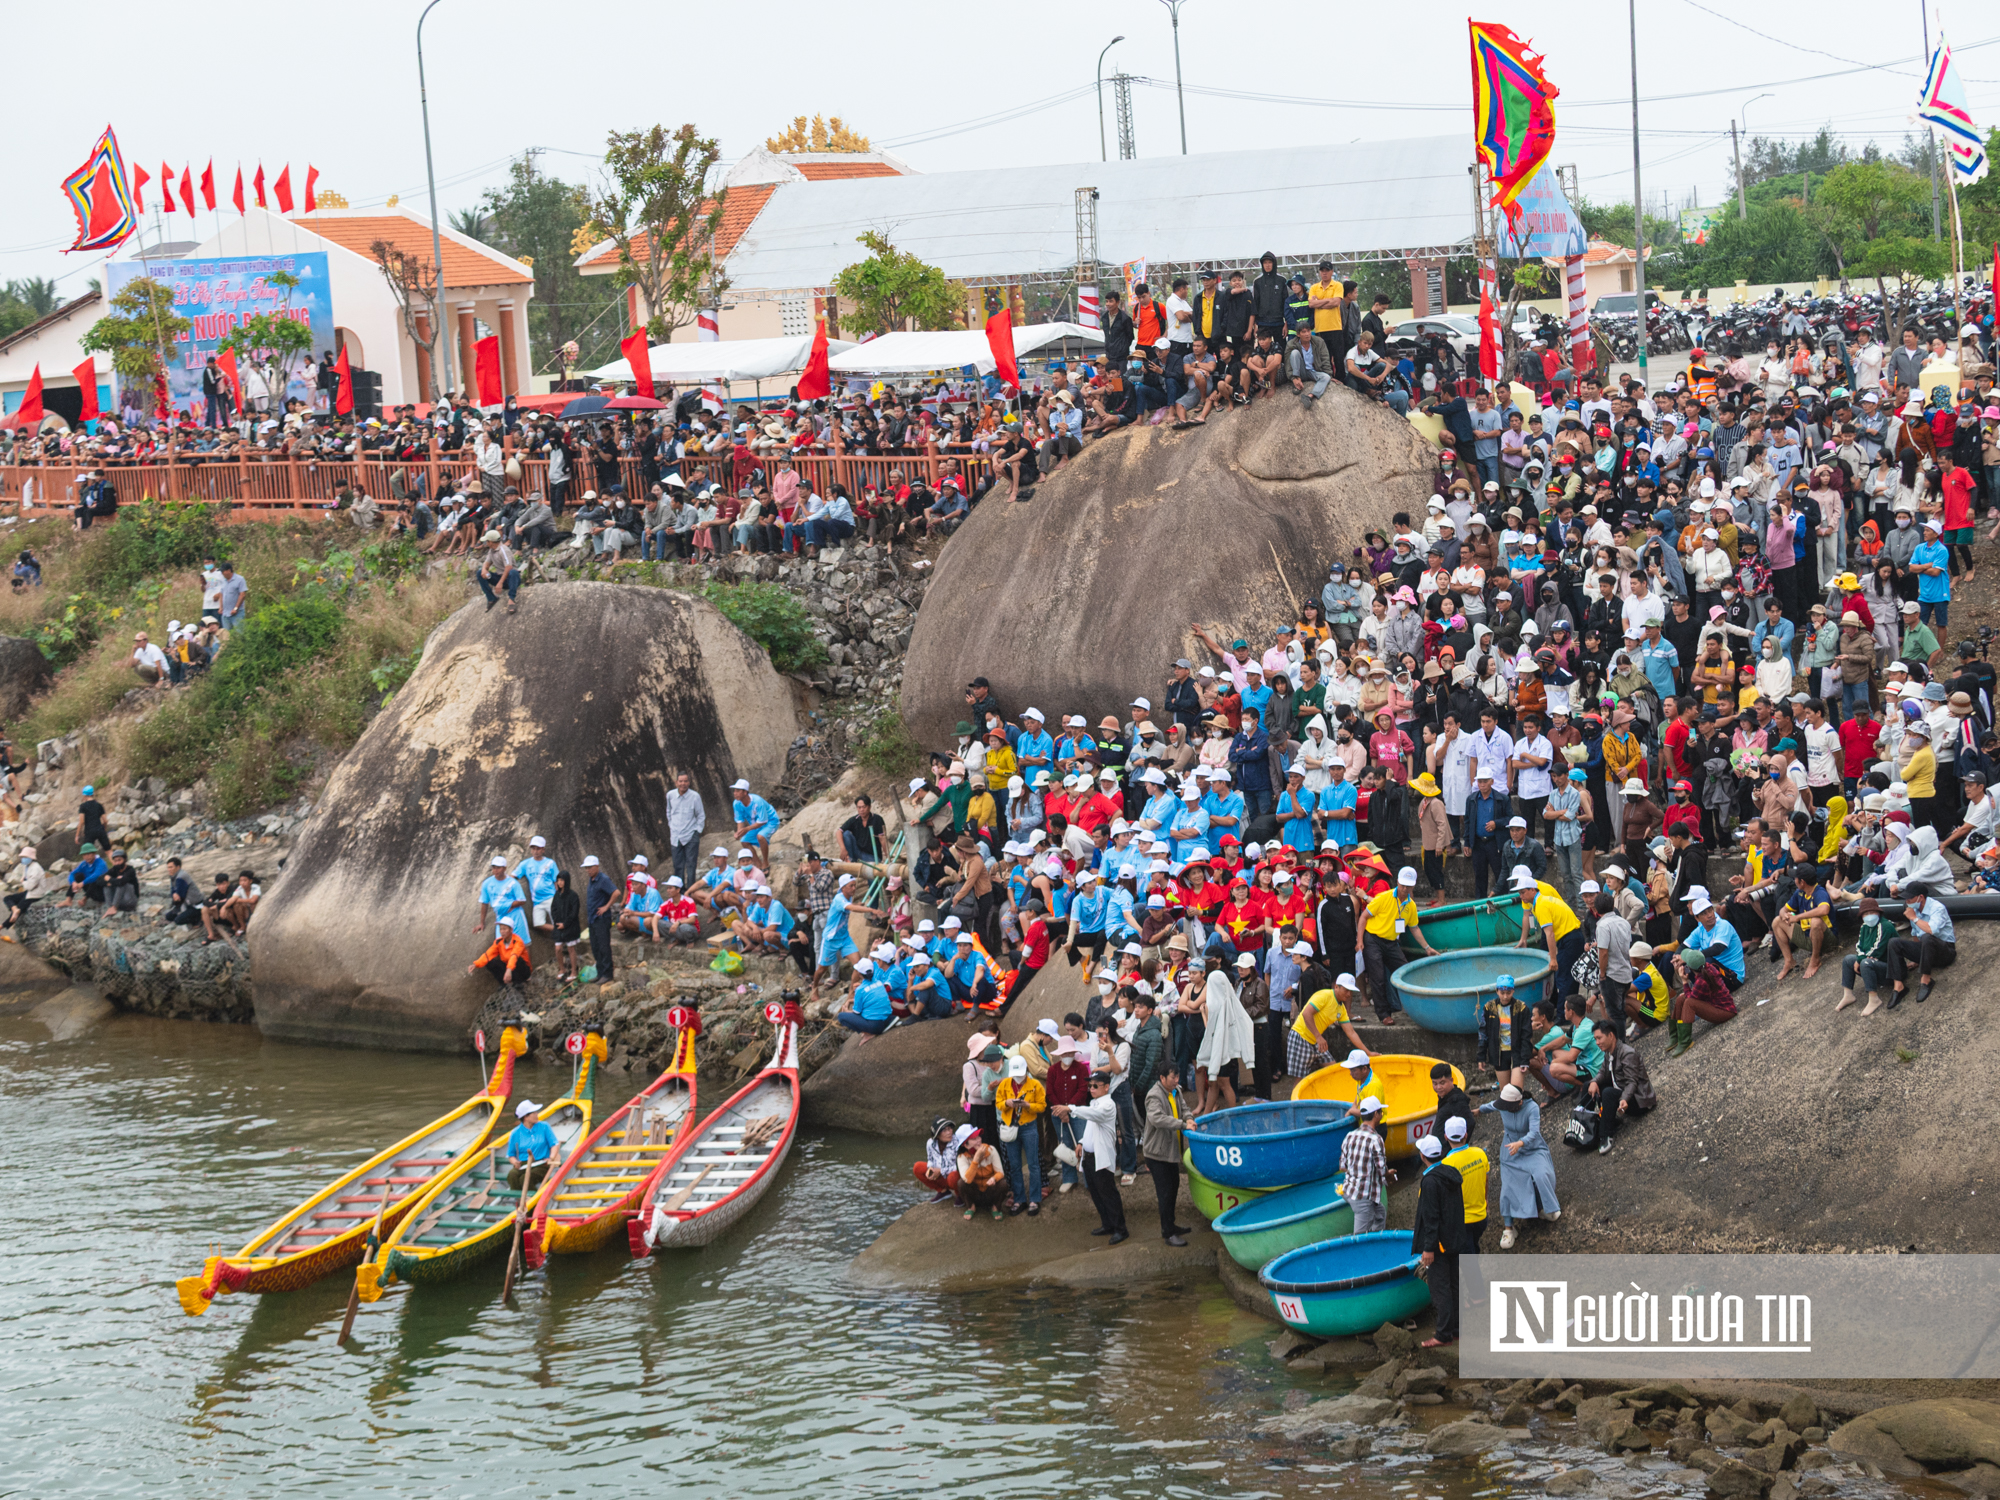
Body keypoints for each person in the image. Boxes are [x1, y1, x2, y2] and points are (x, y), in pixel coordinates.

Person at [1474, 1083, 1560, 1249]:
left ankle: (1543, 1208)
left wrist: (1520, 1143)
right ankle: (1509, 1228)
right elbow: (1491, 1106)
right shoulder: (1503, 1104)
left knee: (1542, 1176)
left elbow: (1534, 1133)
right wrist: (1478, 1110)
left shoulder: (1532, 1107)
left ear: (1518, 1103)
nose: (1504, 1109)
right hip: (1510, 1151)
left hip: (1532, 1148)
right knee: (1508, 1186)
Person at [1055, 1069, 1128, 1243]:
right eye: (1090, 1086)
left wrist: (1070, 1108)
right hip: (1089, 1156)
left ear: (1106, 1087)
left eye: (1095, 1086)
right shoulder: (1095, 1103)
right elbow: (1090, 1126)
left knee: (1108, 1193)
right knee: (1095, 1192)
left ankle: (1120, 1228)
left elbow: (1094, 1115)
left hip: (1100, 1157)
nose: (1092, 1089)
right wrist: (1081, 1142)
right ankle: (1107, 1224)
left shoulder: (1107, 1105)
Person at [1410, 1132, 1466, 1348]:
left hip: (1440, 1245)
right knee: (1454, 1285)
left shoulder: (1430, 1182)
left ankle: (1443, 1334)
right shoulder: (1451, 1173)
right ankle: (1457, 1329)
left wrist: (1429, 1248)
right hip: (1455, 1239)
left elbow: (1431, 1218)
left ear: (1424, 1157)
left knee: (1440, 1288)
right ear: (1441, 1153)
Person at [1362, 868, 1436, 1022]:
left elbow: (1414, 927)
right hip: (1373, 938)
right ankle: (1384, 1014)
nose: (1405, 889)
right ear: (1397, 882)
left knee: (1405, 971)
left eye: (1408, 886)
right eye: (1403, 885)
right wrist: (1359, 941)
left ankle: (1412, 1007)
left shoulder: (1411, 905)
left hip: (1391, 941)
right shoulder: (1383, 897)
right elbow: (1364, 917)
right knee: (1378, 976)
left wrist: (1427, 947)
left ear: (1413, 886)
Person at [1139, 1057, 1193, 1245]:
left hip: (1171, 1151)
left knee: (1174, 1188)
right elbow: (1157, 1119)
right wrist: (1182, 1124)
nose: (1176, 1080)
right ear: (1162, 1078)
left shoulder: (1175, 1091)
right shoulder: (1154, 1095)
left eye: (1177, 1076)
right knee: (1165, 1193)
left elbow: (1185, 1109)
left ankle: (1171, 1225)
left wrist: (1189, 1118)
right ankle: (1167, 1233)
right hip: (1157, 1154)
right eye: (1173, 1077)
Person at [1586, 1017, 1656, 1154]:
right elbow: (1602, 1072)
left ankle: (1605, 1135)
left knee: (1608, 1093)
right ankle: (1588, 1123)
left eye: (1599, 1038)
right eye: (1595, 1039)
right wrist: (1594, 1082)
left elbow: (1632, 1082)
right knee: (1590, 1085)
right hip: (1623, 1093)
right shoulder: (1609, 1052)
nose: (1597, 1042)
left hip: (1638, 1100)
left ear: (1611, 1035)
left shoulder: (1627, 1052)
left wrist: (1624, 1099)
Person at [1288, 973, 1368, 1080]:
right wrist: (1318, 1037)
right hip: (1301, 1036)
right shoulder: (1324, 996)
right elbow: (1306, 1014)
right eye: (1346, 990)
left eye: (1351, 991)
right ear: (1336, 987)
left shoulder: (1341, 1008)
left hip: (1315, 1040)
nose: (1349, 994)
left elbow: (1351, 1032)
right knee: (1300, 1079)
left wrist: (1368, 1052)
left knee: (1333, 1069)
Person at [994, 1054, 1046, 1216]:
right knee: (1014, 1165)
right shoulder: (1004, 1085)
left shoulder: (1035, 1084)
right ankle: (1020, 1199)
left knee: (1033, 1164)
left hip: (1029, 1126)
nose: (1018, 1078)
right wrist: (1007, 1104)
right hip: (1010, 1126)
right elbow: (998, 1103)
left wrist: (1028, 1105)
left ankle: (1034, 1199)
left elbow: (1042, 1106)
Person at [1887, 889, 1956, 1006]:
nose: (1907, 901)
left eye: (1910, 898)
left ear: (1921, 897)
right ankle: (1899, 986)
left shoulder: (1937, 908)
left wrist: (1914, 918)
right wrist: (1916, 959)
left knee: (1927, 937)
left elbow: (1931, 930)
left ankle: (1926, 980)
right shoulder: (1914, 910)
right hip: (1927, 950)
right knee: (1894, 942)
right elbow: (1915, 934)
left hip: (1945, 951)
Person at [1338, 1095, 1394, 1235]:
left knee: (1379, 1214)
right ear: (1376, 1114)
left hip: (1349, 1190)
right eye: (1381, 1112)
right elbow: (1382, 1170)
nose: (1382, 1114)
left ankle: (1376, 1244)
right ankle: (1361, 1254)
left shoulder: (1350, 1135)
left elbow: (1342, 1166)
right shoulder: (1376, 1139)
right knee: (1360, 1237)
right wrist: (1389, 1175)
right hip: (1363, 1197)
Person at [1440, 1116, 1489, 1254]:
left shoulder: (1446, 1165)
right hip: (1481, 1216)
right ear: (1466, 1134)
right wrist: (1486, 1203)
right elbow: (1486, 1181)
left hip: (1462, 1222)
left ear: (1445, 1137)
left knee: (1468, 1263)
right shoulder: (1480, 1154)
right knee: (1473, 1247)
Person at [954, 1124, 1010, 1221]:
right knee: (961, 1183)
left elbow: (1000, 1172)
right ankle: (971, 1206)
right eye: (974, 1139)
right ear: (965, 1144)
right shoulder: (961, 1157)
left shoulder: (991, 1150)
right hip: (975, 1192)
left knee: (1004, 1183)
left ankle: (996, 1206)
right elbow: (967, 1179)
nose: (979, 1140)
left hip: (990, 1190)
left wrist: (993, 1178)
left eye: (978, 1137)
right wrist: (976, 1159)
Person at [664, 771, 706, 890]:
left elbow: (701, 815)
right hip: (675, 835)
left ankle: (691, 891)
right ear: (676, 782)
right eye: (680, 781)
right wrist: (671, 825)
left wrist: (697, 831)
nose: (683, 784)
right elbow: (668, 811)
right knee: (678, 865)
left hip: (691, 834)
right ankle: (680, 891)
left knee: (691, 864)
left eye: (685, 781)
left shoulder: (694, 796)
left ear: (689, 782)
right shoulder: (670, 795)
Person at [504, 1099, 557, 1191]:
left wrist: (551, 1158)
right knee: (512, 1175)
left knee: (525, 1178)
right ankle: (520, 1200)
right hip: (524, 1164)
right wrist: (514, 1162)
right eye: (534, 1113)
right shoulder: (515, 1133)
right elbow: (511, 1155)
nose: (537, 1114)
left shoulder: (544, 1126)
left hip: (541, 1163)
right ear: (526, 1117)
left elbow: (554, 1144)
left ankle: (533, 1203)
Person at [583, 854, 619, 981]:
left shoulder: (603, 879)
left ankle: (607, 974)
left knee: (604, 946)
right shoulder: (592, 880)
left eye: (590, 867)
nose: (588, 870)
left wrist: (606, 906)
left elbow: (616, 892)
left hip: (601, 919)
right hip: (593, 919)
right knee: (595, 947)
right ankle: (600, 972)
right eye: (586, 868)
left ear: (596, 866)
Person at [468, 924, 533, 989]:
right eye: (501, 929)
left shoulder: (517, 941)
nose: (502, 931)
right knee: (489, 962)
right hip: (509, 969)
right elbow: (488, 954)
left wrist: (509, 969)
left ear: (511, 930)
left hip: (522, 970)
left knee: (518, 959)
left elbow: (514, 955)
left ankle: (520, 982)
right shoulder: (498, 942)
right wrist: (476, 964)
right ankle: (504, 984)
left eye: (504, 929)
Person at [2, 845, 47, 935]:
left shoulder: (36, 868)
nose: (23, 859)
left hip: (35, 894)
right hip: (29, 892)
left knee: (16, 914)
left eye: (25, 857)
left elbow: (29, 885)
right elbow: (26, 880)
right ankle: (14, 909)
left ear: (31, 858)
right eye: (23, 857)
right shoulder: (27, 866)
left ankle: (2, 926)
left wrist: (23, 882)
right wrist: (24, 881)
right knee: (7, 898)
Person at [914, 1117, 958, 1202]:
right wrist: (930, 1168)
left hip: (953, 1178)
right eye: (944, 1130)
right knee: (918, 1167)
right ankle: (942, 1191)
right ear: (937, 1135)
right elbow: (930, 1159)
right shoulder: (930, 1143)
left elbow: (961, 1167)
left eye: (949, 1129)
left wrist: (941, 1171)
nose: (949, 1132)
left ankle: (960, 1195)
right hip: (940, 1177)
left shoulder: (958, 1142)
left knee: (954, 1176)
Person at [548, 869, 581, 982]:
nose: (560, 882)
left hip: (570, 927)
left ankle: (573, 971)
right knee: (558, 948)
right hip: (558, 927)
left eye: (562, 880)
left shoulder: (573, 895)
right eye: (558, 880)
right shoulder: (557, 895)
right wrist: (557, 922)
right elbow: (553, 909)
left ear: (566, 881)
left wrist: (565, 924)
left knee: (571, 948)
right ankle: (562, 969)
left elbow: (574, 913)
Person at [64, 842, 108, 907]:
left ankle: (84, 899)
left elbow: (96, 875)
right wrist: (73, 883)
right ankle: (68, 900)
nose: (86, 857)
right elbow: (72, 874)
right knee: (78, 875)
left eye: (88, 854)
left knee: (96, 879)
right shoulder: (84, 864)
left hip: (103, 893)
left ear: (94, 853)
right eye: (84, 855)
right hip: (92, 892)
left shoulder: (101, 863)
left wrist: (82, 883)